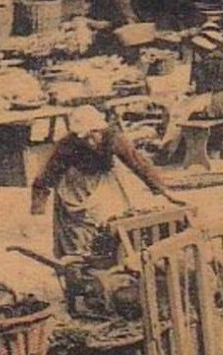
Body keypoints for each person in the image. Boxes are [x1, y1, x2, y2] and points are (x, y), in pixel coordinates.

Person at [31, 105, 185, 261]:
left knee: (112, 220)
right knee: (78, 228)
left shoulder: (114, 139)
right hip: (76, 185)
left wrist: (166, 192)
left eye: (93, 134)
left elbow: (139, 163)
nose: (90, 140)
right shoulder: (67, 145)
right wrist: (38, 210)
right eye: (85, 137)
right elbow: (46, 176)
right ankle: (80, 261)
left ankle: (115, 256)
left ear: (100, 130)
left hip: (105, 181)